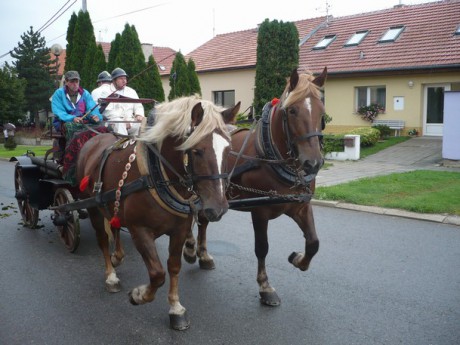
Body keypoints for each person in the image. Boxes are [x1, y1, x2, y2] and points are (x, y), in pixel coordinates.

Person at [50, 70, 106, 184]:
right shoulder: (58, 94)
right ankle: (71, 161)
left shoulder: (85, 93)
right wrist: (71, 118)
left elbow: (92, 107)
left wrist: (96, 116)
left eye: (77, 81)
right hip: (64, 122)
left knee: (102, 127)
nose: (75, 84)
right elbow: (58, 111)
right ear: (66, 82)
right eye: (72, 81)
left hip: (83, 121)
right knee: (72, 128)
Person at [103, 67, 145, 136]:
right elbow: (107, 111)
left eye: (125, 78)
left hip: (129, 120)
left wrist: (139, 114)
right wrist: (123, 121)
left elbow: (138, 105)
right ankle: (122, 145)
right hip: (114, 122)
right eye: (121, 78)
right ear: (114, 80)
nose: (124, 81)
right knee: (120, 124)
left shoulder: (131, 91)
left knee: (141, 124)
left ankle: (137, 145)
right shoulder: (106, 92)